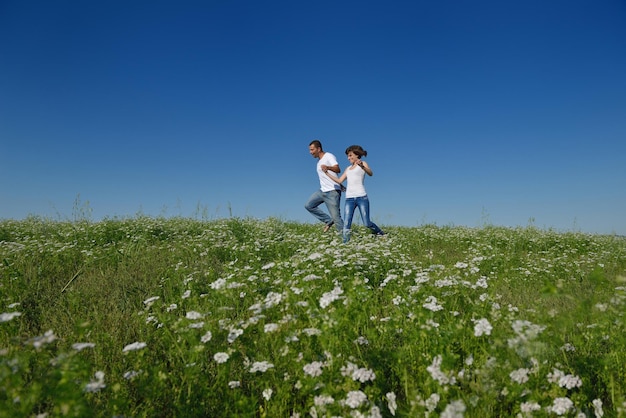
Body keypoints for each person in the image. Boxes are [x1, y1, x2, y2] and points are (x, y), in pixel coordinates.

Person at [325, 145, 384, 243]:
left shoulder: (363, 163)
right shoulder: (348, 169)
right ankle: (345, 244)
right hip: (349, 199)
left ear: (356, 155)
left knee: (367, 223)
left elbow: (370, 173)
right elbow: (340, 180)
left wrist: (362, 166)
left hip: (362, 197)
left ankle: (381, 234)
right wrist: (327, 173)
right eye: (348, 156)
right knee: (347, 223)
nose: (348, 158)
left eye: (350, 155)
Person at [305, 140, 344, 233]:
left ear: (318, 149)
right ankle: (328, 220)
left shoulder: (329, 156)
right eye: (310, 150)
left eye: (312, 150)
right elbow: (330, 176)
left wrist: (328, 167)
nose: (310, 152)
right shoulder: (318, 162)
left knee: (337, 218)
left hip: (332, 192)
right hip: (322, 191)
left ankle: (345, 239)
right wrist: (340, 183)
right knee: (309, 205)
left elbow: (338, 169)